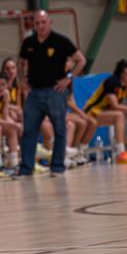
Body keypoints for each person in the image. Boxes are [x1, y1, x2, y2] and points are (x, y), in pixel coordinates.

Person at [18, 11, 86, 176]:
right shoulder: (28, 42)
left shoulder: (61, 41)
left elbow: (81, 60)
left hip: (55, 91)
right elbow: (20, 62)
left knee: (60, 129)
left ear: (50, 22)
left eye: (43, 22)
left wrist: (68, 78)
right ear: (34, 25)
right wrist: (22, 81)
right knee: (29, 131)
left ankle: (57, 166)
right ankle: (26, 168)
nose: (41, 26)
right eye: (37, 23)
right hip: (34, 92)